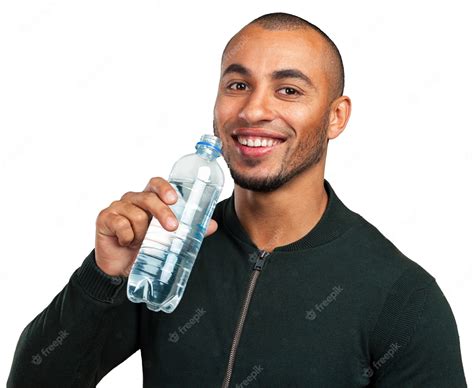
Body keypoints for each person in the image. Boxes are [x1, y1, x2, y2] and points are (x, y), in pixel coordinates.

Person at [8, 12, 467, 388]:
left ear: (336, 117)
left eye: (288, 90)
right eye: (237, 85)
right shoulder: (166, 250)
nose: (253, 110)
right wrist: (103, 276)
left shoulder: (403, 297)